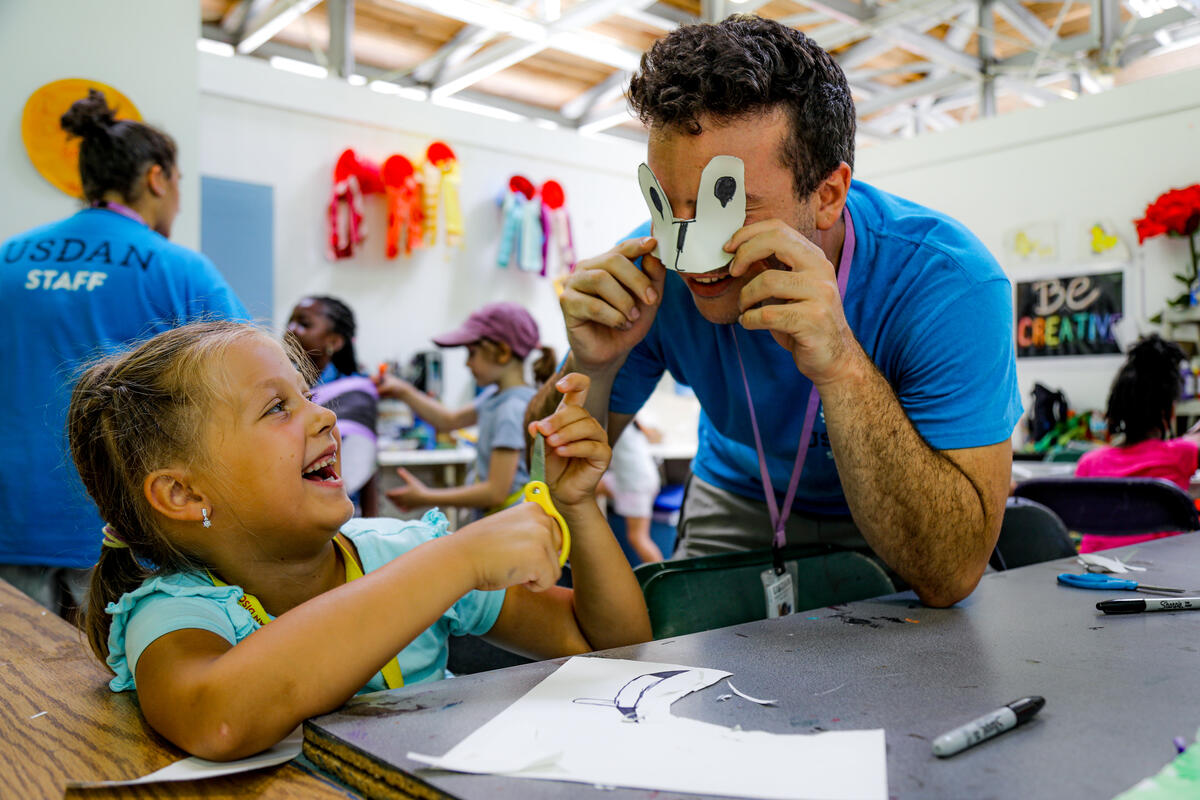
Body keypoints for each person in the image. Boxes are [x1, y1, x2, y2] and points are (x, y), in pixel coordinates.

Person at [540, 16, 1021, 608]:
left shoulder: (948, 283)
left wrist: (843, 366)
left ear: (828, 195)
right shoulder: (650, 273)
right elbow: (549, 474)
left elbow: (949, 573)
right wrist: (592, 364)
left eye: (727, 206)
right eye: (669, 203)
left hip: (899, 500)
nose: (689, 250)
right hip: (738, 493)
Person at [67, 320, 650, 761]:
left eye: (309, 398)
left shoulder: (400, 551)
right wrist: (458, 560)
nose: (324, 418)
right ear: (183, 494)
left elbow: (614, 646)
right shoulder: (176, 613)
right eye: (277, 408)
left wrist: (577, 504)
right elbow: (217, 718)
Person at [0, 89, 246, 618]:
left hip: (9, 518)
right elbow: (252, 378)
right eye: (178, 183)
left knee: (16, 693)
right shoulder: (179, 269)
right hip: (120, 526)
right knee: (111, 691)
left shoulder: (7, 259)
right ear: (157, 178)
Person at [376, 302, 558, 518]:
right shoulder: (496, 396)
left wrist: (426, 497)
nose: (466, 364)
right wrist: (402, 391)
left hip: (507, 527)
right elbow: (449, 420)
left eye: (472, 353)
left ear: (502, 352)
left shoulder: (511, 409)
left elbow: (495, 492)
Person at [1075, 335, 1200, 553]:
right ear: (1169, 412)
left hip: (1094, 575)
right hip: (1162, 576)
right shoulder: (1182, 454)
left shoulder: (1090, 463)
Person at [287, 295, 379, 514]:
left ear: (334, 342)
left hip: (341, 509)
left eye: (304, 324)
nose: (291, 329)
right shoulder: (285, 385)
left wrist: (372, 522)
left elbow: (365, 461)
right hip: (289, 506)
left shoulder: (356, 392)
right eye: (289, 322)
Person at [599, 420, 665, 563]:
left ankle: (662, 577)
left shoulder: (611, 420)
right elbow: (656, 437)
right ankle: (596, 533)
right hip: (637, 479)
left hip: (635, 485)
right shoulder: (630, 420)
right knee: (588, 488)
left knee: (638, 538)